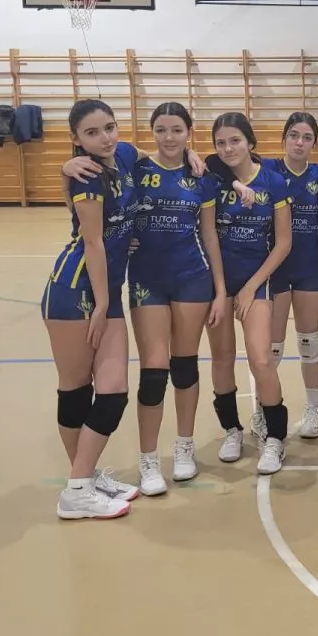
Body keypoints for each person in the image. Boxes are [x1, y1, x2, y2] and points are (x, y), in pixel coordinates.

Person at [210, 114, 318, 441]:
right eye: (294, 135)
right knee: (270, 349)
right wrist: (235, 183)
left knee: (309, 342)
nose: (300, 142)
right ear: (283, 139)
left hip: (309, 267)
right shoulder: (268, 169)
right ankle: (262, 409)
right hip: (275, 270)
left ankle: (313, 408)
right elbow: (215, 162)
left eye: (307, 137)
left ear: (315, 143)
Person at [43, 99, 144, 520]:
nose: (105, 137)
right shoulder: (87, 176)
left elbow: (159, 158)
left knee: (114, 390)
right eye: (92, 132)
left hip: (107, 288)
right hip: (75, 290)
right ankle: (78, 490)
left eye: (109, 127)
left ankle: (84, 479)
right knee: (76, 387)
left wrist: (193, 155)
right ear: (76, 139)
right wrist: (102, 303)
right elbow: (92, 241)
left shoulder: (125, 155)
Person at [125, 103, 227, 495]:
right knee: (153, 372)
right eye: (161, 130)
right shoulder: (136, 168)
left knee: (184, 366)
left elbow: (209, 235)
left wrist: (220, 290)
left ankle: (185, 447)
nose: (169, 137)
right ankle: (149, 459)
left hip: (191, 277)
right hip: (147, 279)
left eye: (177, 130)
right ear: (152, 132)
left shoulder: (201, 177)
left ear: (189, 133)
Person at [207, 113, 293, 474]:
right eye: (221, 142)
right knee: (222, 358)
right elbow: (208, 235)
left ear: (250, 143)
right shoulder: (212, 179)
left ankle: (275, 438)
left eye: (235, 140)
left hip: (256, 282)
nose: (228, 148)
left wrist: (250, 287)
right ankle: (232, 430)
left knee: (260, 359)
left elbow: (284, 243)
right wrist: (221, 289)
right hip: (216, 282)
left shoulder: (273, 182)